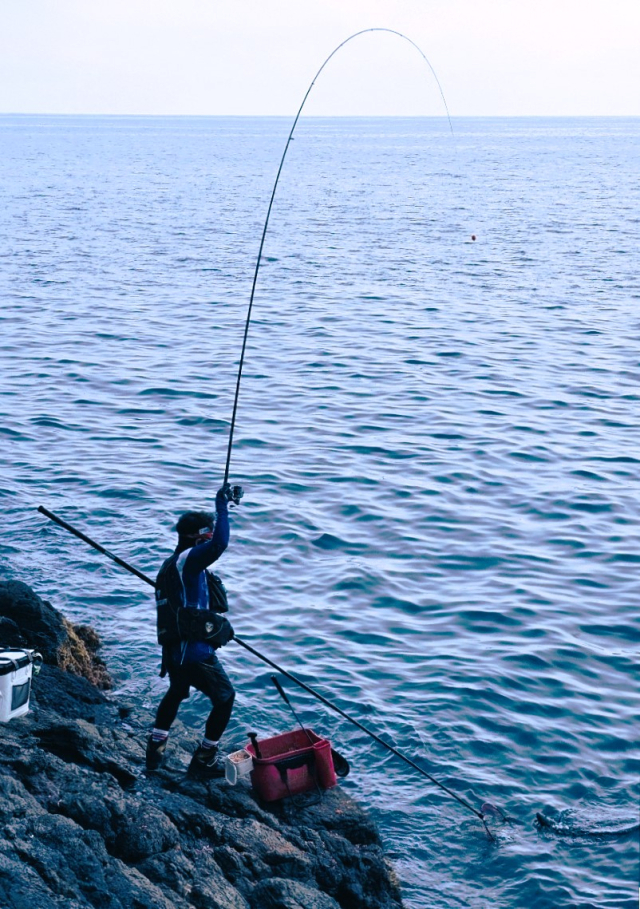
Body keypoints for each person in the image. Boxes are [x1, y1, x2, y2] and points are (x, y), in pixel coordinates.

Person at [146, 483, 242, 776]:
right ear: (198, 536)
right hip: (192, 650)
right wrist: (221, 504)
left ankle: (155, 749)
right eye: (208, 533)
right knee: (225, 698)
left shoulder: (170, 564)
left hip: (175, 648)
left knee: (176, 691)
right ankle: (204, 758)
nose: (212, 538)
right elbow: (220, 545)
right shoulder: (189, 559)